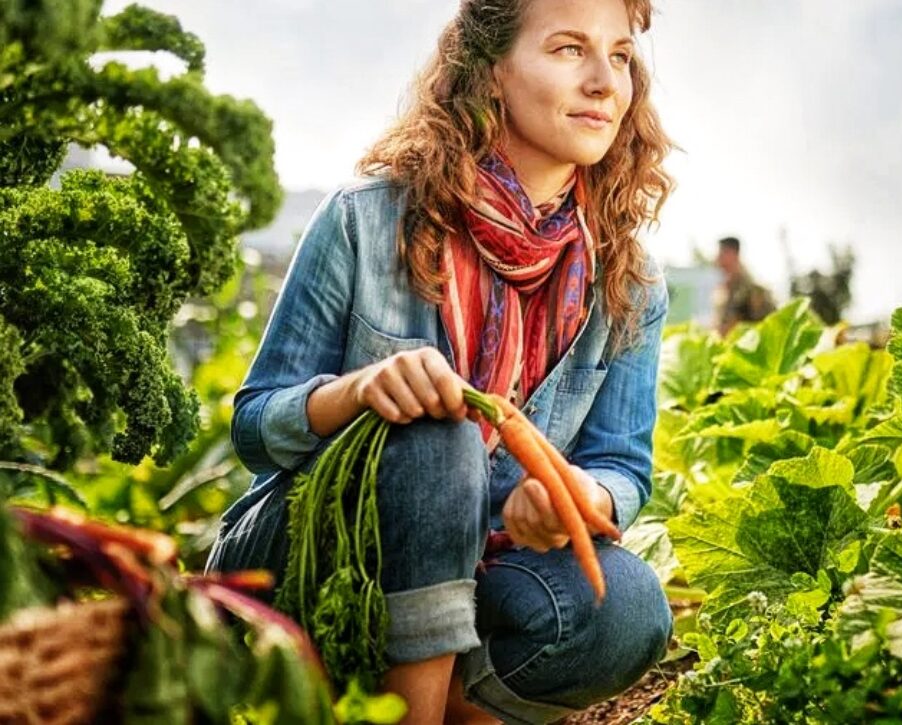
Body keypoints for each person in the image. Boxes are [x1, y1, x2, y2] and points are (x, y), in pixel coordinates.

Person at [205, 0, 674, 722]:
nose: (604, 83)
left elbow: (623, 464)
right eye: (568, 49)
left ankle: (412, 700)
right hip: (316, 564)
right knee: (436, 431)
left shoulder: (629, 279)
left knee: (629, 609)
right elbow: (254, 426)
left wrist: (581, 494)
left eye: (619, 56)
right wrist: (356, 395)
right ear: (489, 71)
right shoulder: (368, 219)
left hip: (487, 572)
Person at [713, 235, 776, 335]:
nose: (717, 261)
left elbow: (767, 325)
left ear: (733, 254)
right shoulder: (725, 292)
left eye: (722, 254)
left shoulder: (753, 291)